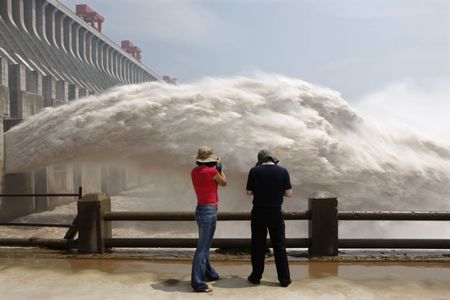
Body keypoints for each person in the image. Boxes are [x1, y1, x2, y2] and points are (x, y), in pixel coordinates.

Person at [246, 149, 293, 287]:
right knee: (279, 246)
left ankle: (255, 277)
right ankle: (284, 279)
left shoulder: (254, 171)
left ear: (260, 160)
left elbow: (248, 192)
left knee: (258, 245)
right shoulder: (283, 171)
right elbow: (289, 194)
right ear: (273, 159)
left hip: (259, 211)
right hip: (275, 212)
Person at [191, 146, 227, 293]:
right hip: (209, 210)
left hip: (199, 209)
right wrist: (220, 168)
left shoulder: (194, 172)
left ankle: (209, 273)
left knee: (204, 245)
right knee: (202, 248)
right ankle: (198, 283)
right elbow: (224, 182)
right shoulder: (212, 171)